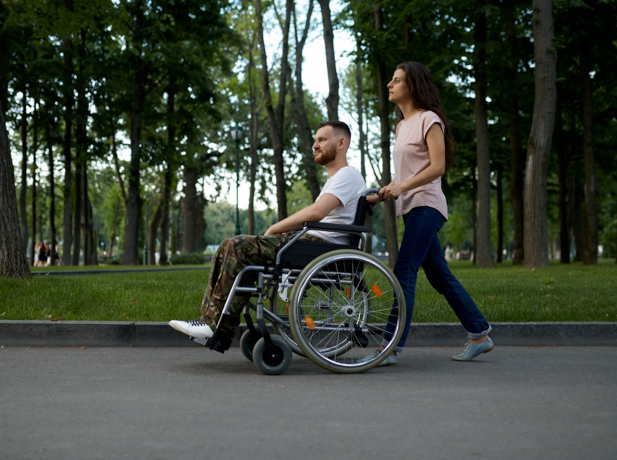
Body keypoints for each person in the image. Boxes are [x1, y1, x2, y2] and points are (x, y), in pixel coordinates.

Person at [169, 121, 367, 349]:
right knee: (234, 250)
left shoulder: (347, 175)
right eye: (315, 140)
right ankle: (215, 326)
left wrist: (275, 228)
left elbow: (317, 212)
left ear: (341, 143)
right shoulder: (339, 179)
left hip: (319, 247)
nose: (315, 145)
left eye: (322, 139)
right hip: (313, 245)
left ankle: (213, 324)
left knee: (235, 246)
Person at [370, 61, 494, 365]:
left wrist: (403, 187)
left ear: (412, 86)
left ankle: (390, 345)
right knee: (439, 276)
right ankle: (479, 333)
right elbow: (408, 172)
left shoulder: (429, 119)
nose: (389, 84)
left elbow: (437, 166)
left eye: (396, 80)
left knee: (404, 271)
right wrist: (385, 190)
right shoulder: (401, 125)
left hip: (427, 204)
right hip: (411, 207)